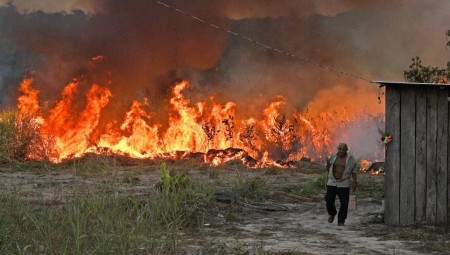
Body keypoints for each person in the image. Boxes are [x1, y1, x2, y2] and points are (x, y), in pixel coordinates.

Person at [325, 143, 357, 226]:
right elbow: (328, 169)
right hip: (332, 182)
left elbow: (354, 172)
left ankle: (341, 221)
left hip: (344, 183)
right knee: (329, 200)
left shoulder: (350, 159)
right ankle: (332, 213)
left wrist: (354, 182)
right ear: (337, 149)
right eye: (340, 149)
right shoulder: (333, 156)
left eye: (343, 149)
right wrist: (328, 165)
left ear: (346, 150)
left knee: (344, 203)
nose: (341, 151)